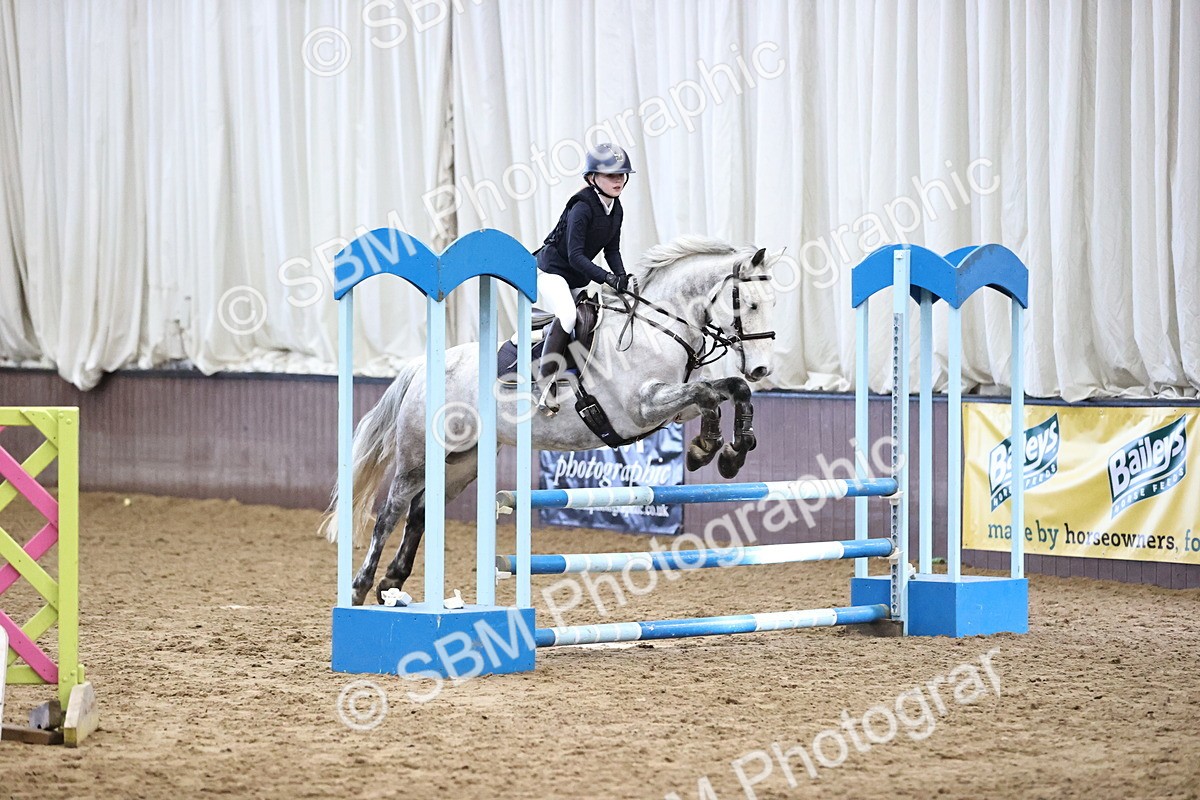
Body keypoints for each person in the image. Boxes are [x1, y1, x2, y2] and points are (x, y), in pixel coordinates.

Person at [534, 142, 635, 413]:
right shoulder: (582, 206)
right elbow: (576, 255)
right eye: (611, 175)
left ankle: (578, 373)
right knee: (567, 316)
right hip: (551, 272)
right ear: (592, 178)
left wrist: (622, 278)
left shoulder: (616, 208)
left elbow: (611, 250)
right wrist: (607, 279)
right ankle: (545, 384)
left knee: (597, 318)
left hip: (576, 279)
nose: (619, 180)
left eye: (621, 174)